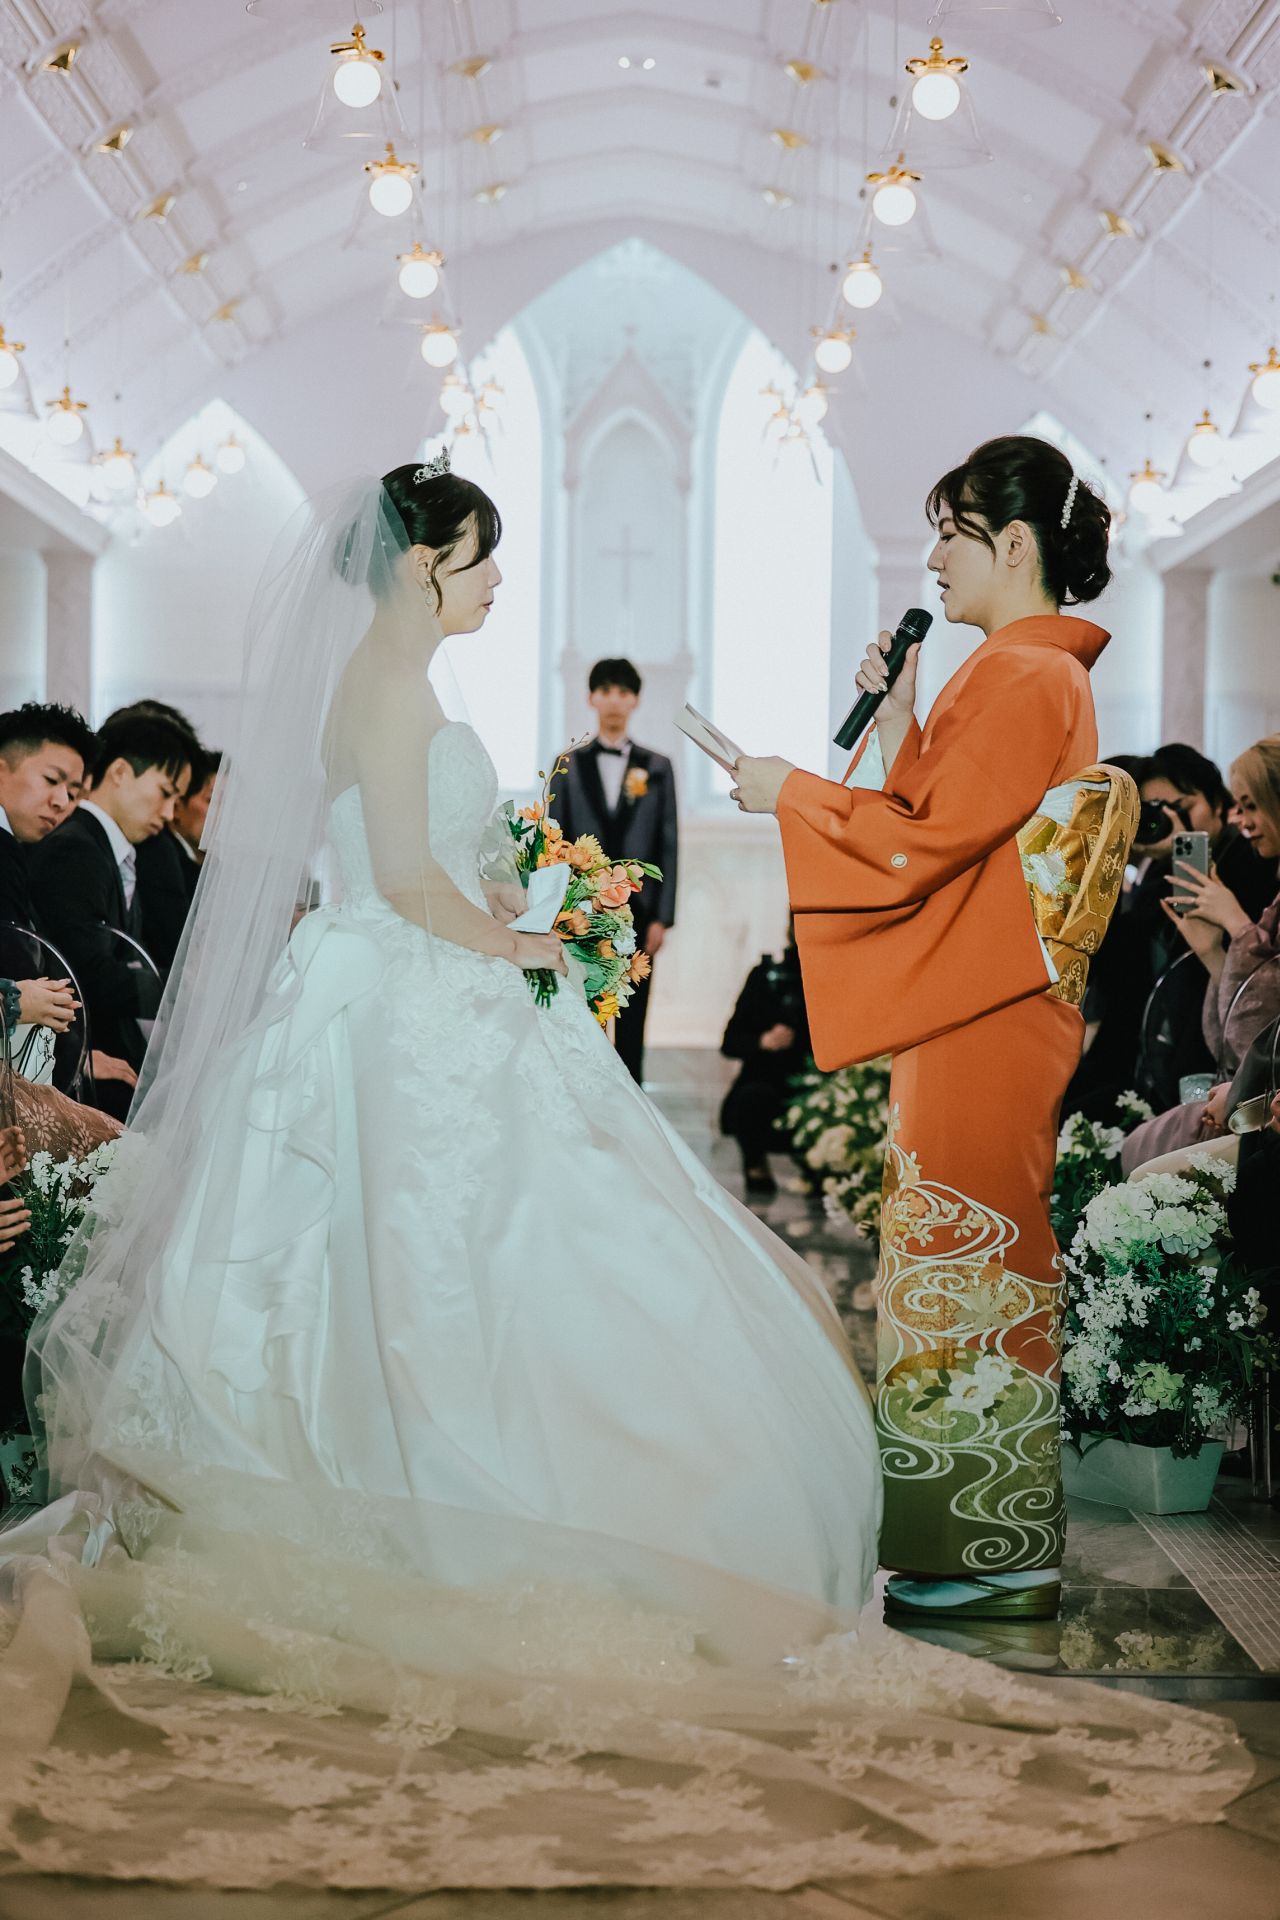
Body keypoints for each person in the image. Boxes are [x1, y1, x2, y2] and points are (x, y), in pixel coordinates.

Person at [0, 462, 1246, 1893]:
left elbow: (939, 829)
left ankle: (935, 1535)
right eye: (480, 558)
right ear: (419, 563)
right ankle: (532, 1504)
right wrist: (528, 937)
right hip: (406, 988)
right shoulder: (389, 686)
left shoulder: (1023, 674)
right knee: (448, 1251)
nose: (497, 580)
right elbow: (403, 878)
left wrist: (541, 902)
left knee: (451, 1247)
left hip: (433, 983)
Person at [732, 436, 1138, 1622]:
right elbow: (941, 822)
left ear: (1012, 544)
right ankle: (965, 1533)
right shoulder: (1011, 672)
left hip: (986, 1004)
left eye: (950, 533)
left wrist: (791, 791)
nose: (932, 558)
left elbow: (927, 844)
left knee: (975, 1251)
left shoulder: (1025, 676)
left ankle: (995, 1545)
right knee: (950, 1252)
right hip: (976, 993)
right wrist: (906, 715)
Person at [1120, 735, 1280, 1173]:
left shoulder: (1251, 865)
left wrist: (1235, 923)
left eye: (1252, 806)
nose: (1245, 821)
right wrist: (1210, 948)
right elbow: (1234, 1026)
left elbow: (1260, 1020)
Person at [28, 713, 193, 1119]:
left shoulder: (104, 847)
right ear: (119, 772)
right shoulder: (76, 849)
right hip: (79, 1059)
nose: (169, 813)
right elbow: (85, 971)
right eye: (165, 793)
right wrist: (183, 988)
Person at [549, 658, 678, 1083]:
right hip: (582, 913)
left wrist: (662, 918)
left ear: (635, 700)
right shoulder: (566, 766)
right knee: (585, 1011)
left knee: (634, 1016)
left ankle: (632, 1099)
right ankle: (587, 1095)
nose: (614, 701)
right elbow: (555, 842)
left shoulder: (656, 767)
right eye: (605, 691)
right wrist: (558, 911)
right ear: (591, 698)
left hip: (640, 912)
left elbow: (668, 844)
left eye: (623, 692)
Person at [719, 928, 810, 1195]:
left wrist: (799, 1038)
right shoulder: (765, 976)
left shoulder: (832, 977)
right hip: (766, 1082)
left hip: (813, 1084)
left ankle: (819, 1170)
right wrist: (764, 1041)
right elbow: (730, 1042)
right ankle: (756, 1165)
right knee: (751, 1098)